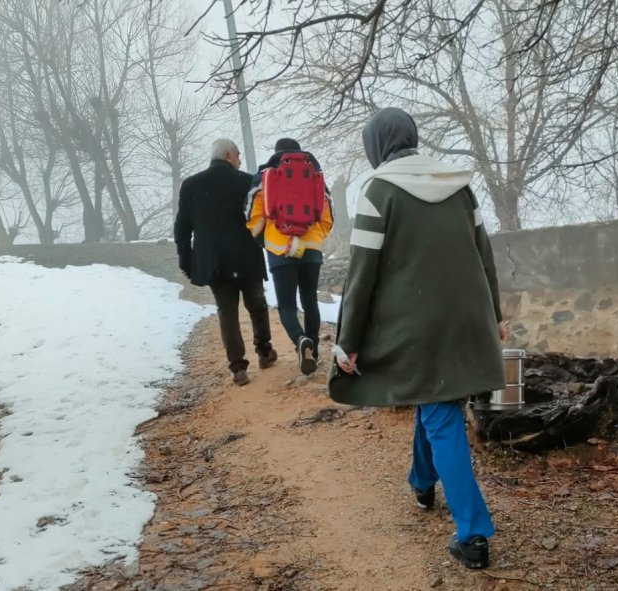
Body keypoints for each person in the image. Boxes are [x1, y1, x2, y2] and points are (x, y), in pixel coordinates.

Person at [328, 108, 508, 569]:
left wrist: (347, 340)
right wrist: (496, 315)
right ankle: (422, 482)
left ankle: (473, 534)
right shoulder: (460, 186)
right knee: (436, 399)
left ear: (376, 146)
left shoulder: (379, 191)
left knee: (440, 413)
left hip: (417, 328)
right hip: (467, 318)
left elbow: (362, 273)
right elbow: (484, 256)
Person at [174, 138, 277, 386]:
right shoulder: (246, 182)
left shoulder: (191, 185)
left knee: (227, 313)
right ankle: (264, 352)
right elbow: (261, 217)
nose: (240, 160)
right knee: (257, 305)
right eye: (238, 155)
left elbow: (182, 229)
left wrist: (187, 261)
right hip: (246, 258)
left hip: (214, 263)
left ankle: (238, 368)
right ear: (229, 155)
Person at [246, 138, 334, 375]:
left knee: (286, 305)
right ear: (299, 152)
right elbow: (327, 217)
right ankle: (313, 350)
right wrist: (315, 237)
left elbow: (253, 216)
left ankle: (300, 340)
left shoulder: (266, 176)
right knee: (310, 300)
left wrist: (266, 240)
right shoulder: (315, 174)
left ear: (277, 153)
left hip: (279, 248)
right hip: (311, 247)